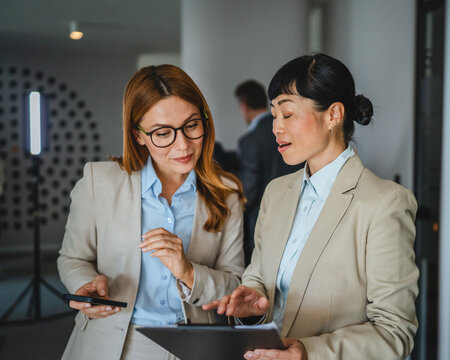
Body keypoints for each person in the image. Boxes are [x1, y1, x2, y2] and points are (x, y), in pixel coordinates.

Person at [204, 54, 419, 359]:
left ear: (333, 115)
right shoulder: (276, 192)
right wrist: (251, 307)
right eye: (273, 115)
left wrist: (308, 352)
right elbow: (258, 279)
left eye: (288, 115)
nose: (276, 127)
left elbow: (394, 332)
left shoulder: (383, 204)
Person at [58, 64, 245, 360]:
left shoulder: (226, 193)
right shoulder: (98, 182)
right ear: (138, 135)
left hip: (197, 344)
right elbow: (72, 257)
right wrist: (85, 284)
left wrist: (188, 271)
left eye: (192, 125)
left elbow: (234, 283)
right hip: (116, 343)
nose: (182, 144)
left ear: (205, 121)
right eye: (162, 133)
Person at [235, 80, 302, 264]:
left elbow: (248, 192)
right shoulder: (292, 131)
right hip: (299, 214)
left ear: (243, 106)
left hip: (263, 223)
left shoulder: (251, 140)